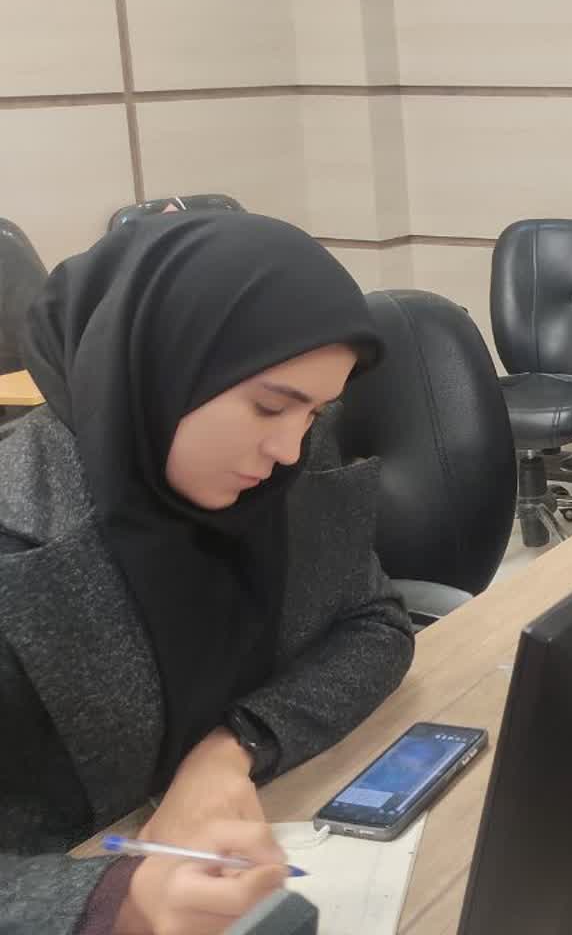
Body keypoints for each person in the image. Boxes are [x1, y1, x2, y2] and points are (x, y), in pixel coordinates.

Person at [0, 213, 415, 935]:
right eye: (270, 406)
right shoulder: (21, 536)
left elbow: (374, 623)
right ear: (163, 366)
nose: (290, 448)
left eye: (315, 412)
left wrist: (229, 749)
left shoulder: (275, 475)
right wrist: (113, 899)